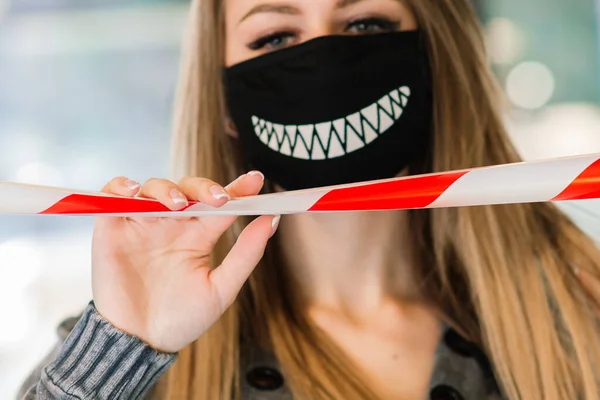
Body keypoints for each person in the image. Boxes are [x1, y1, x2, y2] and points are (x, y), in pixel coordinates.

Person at [18, 0, 600, 399]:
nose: (324, 60)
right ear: (221, 98)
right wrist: (125, 345)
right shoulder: (137, 343)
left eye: (367, 24)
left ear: (435, 58)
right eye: (275, 37)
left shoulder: (575, 305)